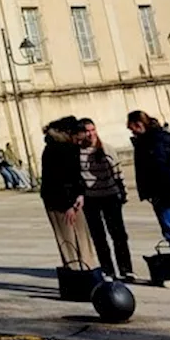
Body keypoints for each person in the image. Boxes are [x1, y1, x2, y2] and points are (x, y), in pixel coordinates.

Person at [128, 110, 170, 289]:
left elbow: (158, 168)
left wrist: (156, 192)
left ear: (138, 124)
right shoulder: (156, 139)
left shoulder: (153, 141)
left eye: (133, 129)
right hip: (163, 191)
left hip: (163, 192)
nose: (132, 133)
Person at [76, 118, 132, 281]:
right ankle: (108, 270)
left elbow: (118, 172)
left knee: (118, 234)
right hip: (91, 198)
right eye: (87, 131)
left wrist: (123, 192)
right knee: (99, 237)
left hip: (110, 196)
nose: (91, 134)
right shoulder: (77, 152)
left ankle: (126, 268)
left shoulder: (106, 148)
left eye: (93, 130)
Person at [40, 116, 98, 270]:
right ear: (70, 133)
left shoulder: (71, 146)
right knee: (68, 239)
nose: (80, 142)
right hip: (57, 200)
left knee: (82, 235)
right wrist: (67, 205)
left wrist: (80, 194)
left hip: (72, 198)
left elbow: (75, 175)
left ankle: (88, 267)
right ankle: (75, 272)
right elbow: (57, 180)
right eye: (78, 139)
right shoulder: (54, 149)